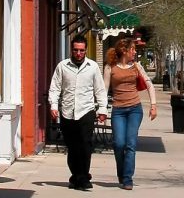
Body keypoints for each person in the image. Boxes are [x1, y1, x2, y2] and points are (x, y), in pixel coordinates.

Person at [48, 34, 108, 191]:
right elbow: (55, 87)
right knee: (72, 146)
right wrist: (54, 106)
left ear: (86, 50)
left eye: (82, 50)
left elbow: (100, 90)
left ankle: (83, 177)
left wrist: (102, 109)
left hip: (86, 110)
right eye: (76, 50)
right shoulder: (62, 66)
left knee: (85, 144)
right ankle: (76, 176)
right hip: (67, 111)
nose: (79, 53)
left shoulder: (93, 67)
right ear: (71, 50)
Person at [103, 38, 157, 190]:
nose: (135, 52)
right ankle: (121, 172)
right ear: (124, 51)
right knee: (119, 144)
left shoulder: (137, 66)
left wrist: (153, 105)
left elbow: (149, 85)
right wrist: (101, 110)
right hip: (118, 110)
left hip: (135, 109)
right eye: (132, 49)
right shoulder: (110, 67)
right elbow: (104, 90)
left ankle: (127, 178)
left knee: (130, 144)